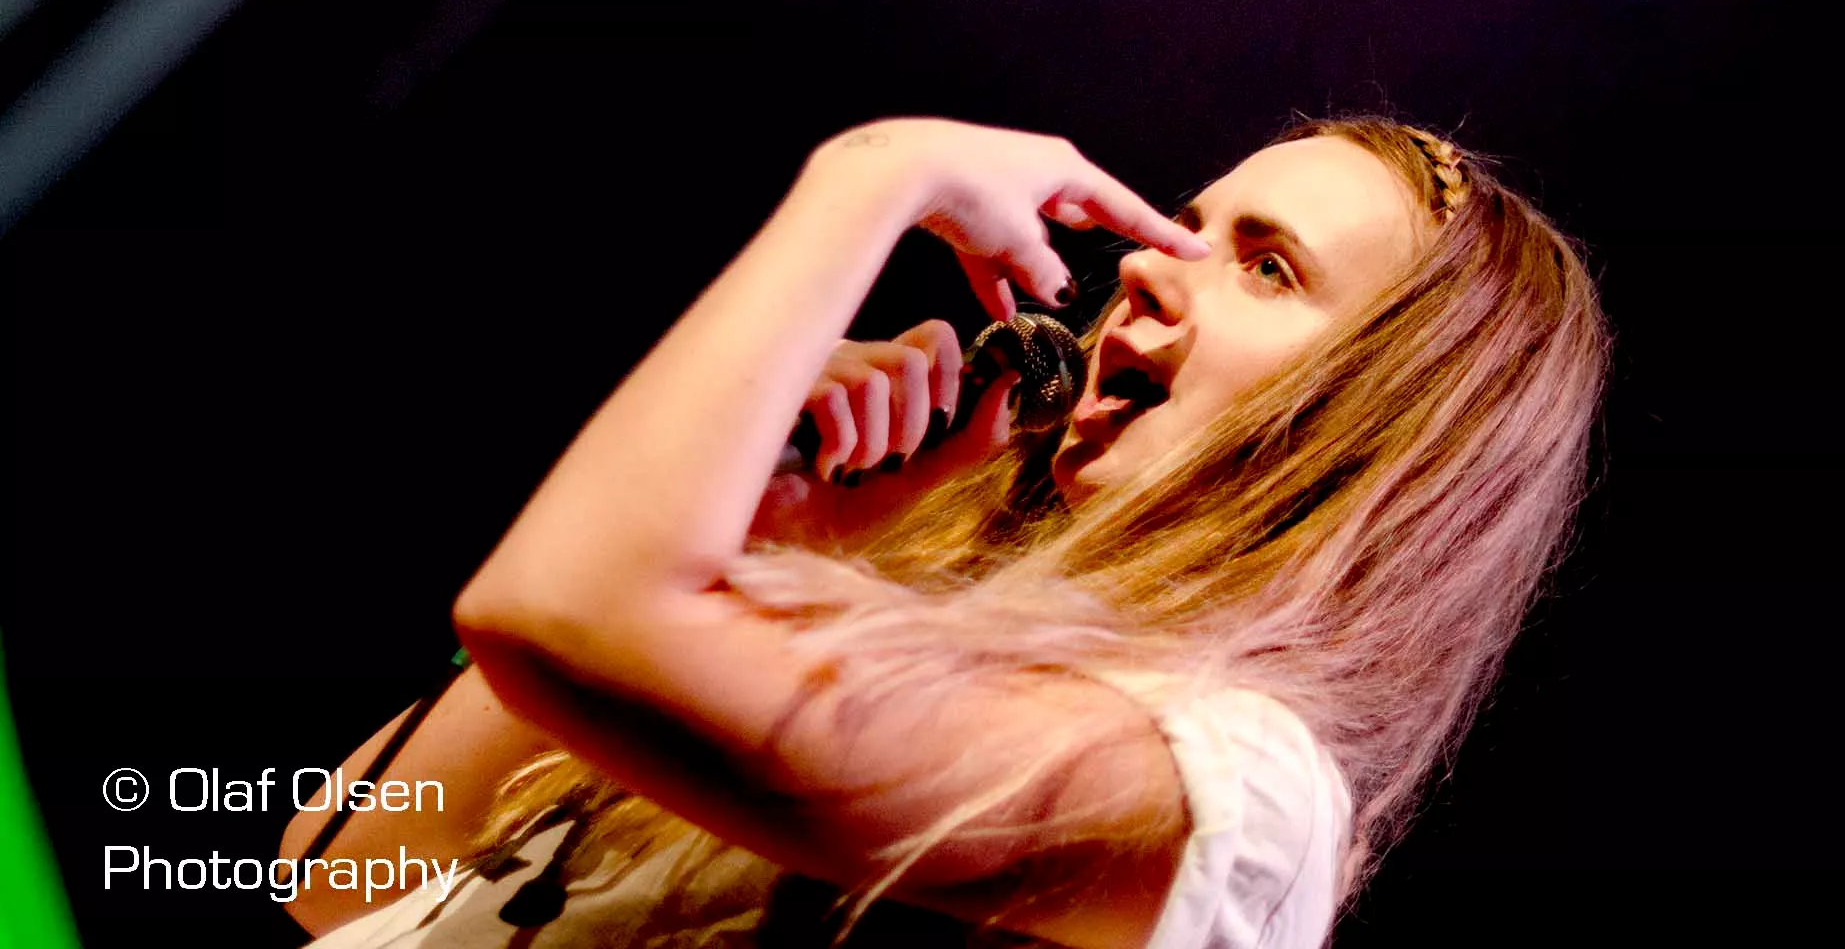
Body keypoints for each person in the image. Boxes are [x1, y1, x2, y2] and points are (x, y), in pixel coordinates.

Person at [281, 114, 1609, 947]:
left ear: (1377, 432)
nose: (1151, 262)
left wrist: (873, 173)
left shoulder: (1240, 789)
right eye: (1188, 226)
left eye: (1267, 267)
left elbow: (555, 611)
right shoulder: (911, 628)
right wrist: (767, 542)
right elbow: (337, 876)